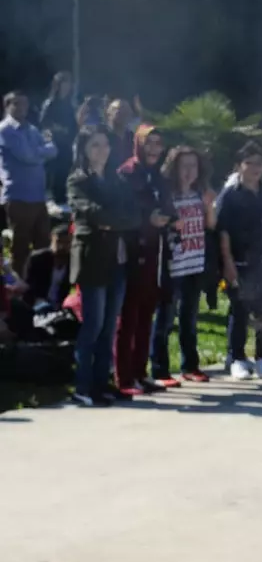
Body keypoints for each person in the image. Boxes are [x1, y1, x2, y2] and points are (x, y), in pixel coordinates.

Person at [68, 126, 140, 406]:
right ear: (84, 149)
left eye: (105, 145)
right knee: (93, 325)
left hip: (118, 260)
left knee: (110, 327)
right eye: (95, 145)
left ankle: (102, 383)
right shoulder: (78, 180)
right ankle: (83, 386)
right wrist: (113, 218)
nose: (102, 150)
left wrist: (113, 220)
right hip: (92, 260)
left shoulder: (117, 180)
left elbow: (134, 215)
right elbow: (92, 213)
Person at [114, 126, 174, 396]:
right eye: (148, 143)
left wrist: (171, 219)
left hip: (155, 251)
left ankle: (140, 372)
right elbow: (122, 212)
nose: (154, 149)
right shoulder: (127, 173)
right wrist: (147, 220)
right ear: (137, 143)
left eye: (158, 144)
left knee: (146, 313)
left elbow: (167, 206)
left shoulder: (158, 176)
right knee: (129, 315)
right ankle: (124, 377)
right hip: (132, 251)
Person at [151, 146, 216, 385]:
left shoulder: (201, 194)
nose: (189, 171)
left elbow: (211, 225)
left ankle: (190, 366)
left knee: (189, 320)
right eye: (184, 166)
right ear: (174, 168)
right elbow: (156, 221)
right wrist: (169, 222)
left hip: (194, 264)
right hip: (171, 266)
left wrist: (209, 206)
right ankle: (160, 370)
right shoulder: (166, 195)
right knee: (165, 320)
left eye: (193, 166)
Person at [217, 142, 262, 380]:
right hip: (240, 261)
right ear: (239, 166)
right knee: (240, 311)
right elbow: (223, 231)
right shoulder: (230, 196)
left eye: (260, 163)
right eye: (249, 162)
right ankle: (236, 358)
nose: (255, 167)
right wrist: (228, 262)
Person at [0, 91, 57, 278]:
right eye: (16, 104)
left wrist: (39, 152)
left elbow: (53, 150)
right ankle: (17, 292)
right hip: (18, 196)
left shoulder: (31, 129)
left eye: (24, 104)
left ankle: (38, 288)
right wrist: (41, 151)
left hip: (38, 197)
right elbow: (27, 156)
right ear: (7, 106)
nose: (21, 108)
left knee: (44, 246)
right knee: (20, 249)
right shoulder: (5, 130)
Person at [39, 72, 77, 204]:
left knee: (66, 169)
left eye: (68, 84)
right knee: (55, 170)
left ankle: (63, 196)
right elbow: (44, 123)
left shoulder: (69, 104)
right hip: (54, 143)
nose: (66, 87)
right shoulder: (50, 103)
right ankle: (53, 196)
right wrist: (57, 129)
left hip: (67, 143)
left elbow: (73, 124)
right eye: (63, 84)